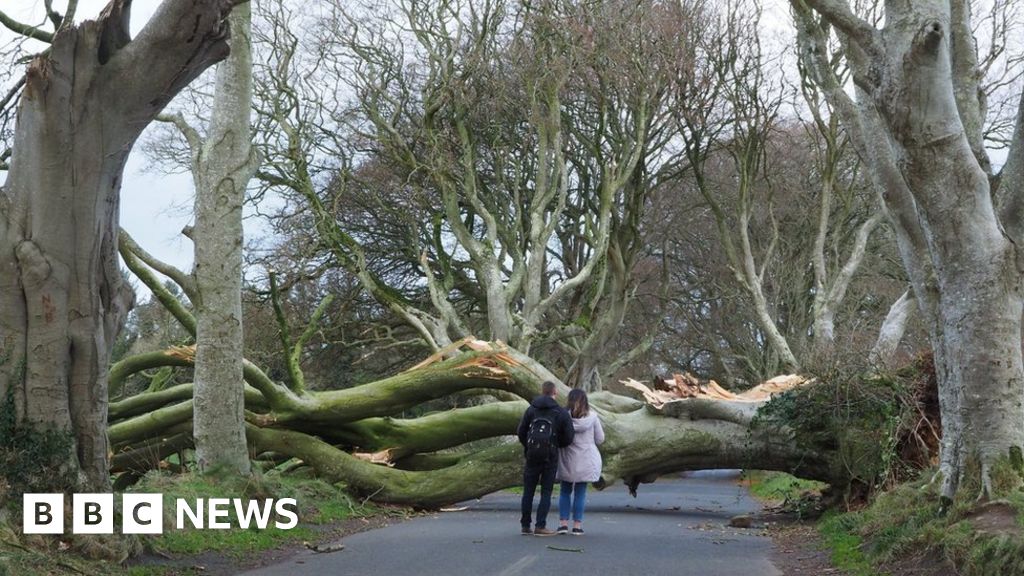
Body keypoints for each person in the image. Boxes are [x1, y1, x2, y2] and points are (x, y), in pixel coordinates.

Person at [517, 380, 574, 536]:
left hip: (532, 455)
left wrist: (529, 447)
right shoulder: (561, 412)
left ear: (542, 391)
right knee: (546, 492)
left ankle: (525, 525)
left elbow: (521, 431)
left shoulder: (531, 410)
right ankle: (540, 525)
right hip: (550, 456)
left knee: (528, 491)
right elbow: (569, 437)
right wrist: (555, 445)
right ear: (555, 393)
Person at [555, 389, 604, 535]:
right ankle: (577, 526)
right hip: (586, 458)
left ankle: (563, 524)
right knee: (580, 493)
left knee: (564, 491)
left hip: (567, 457)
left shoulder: (563, 417)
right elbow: (600, 439)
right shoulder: (593, 417)